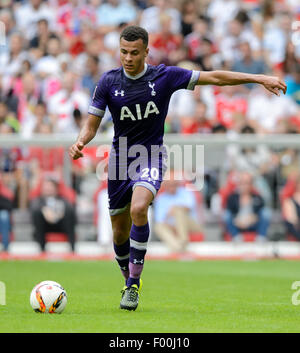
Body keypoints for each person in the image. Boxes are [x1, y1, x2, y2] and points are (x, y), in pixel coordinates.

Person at [69, 25, 286, 311]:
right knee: (119, 234)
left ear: (146, 51)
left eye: (134, 52)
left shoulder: (165, 76)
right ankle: (128, 281)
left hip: (151, 156)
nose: (128, 58)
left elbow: (216, 78)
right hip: (120, 161)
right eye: (123, 52)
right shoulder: (108, 82)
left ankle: (133, 285)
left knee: (138, 209)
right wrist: (80, 141)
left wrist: (258, 78)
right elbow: (92, 123)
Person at [154, 169, 202, 253]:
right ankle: (178, 248)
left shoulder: (186, 192)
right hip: (171, 226)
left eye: (174, 184)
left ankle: (183, 241)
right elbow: (160, 220)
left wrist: (174, 210)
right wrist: (170, 216)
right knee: (158, 226)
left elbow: (189, 208)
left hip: (191, 224)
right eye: (169, 184)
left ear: (178, 184)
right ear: (165, 185)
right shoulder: (160, 199)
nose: (172, 187)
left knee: (178, 211)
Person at [30, 177, 76, 253]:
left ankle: (72, 249)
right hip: (45, 225)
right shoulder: (38, 200)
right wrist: (44, 210)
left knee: (69, 214)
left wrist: (60, 213)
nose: (47, 189)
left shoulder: (62, 199)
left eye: (50, 186)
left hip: (61, 224)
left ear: (55, 188)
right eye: (45, 187)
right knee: (37, 214)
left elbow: (70, 208)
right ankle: (42, 249)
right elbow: (33, 208)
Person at [223, 171, 271, 242]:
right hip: (238, 224)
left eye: (246, 183)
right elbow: (229, 214)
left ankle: (261, 237)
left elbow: (260, 213)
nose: (244, 186)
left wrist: (252, 219)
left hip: (253, 224)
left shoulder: (257, 197)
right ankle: (236, 237)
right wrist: (238, 221)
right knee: (226, 215)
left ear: (251, 184)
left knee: (266, 212)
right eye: (242, 183)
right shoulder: (232, 197)